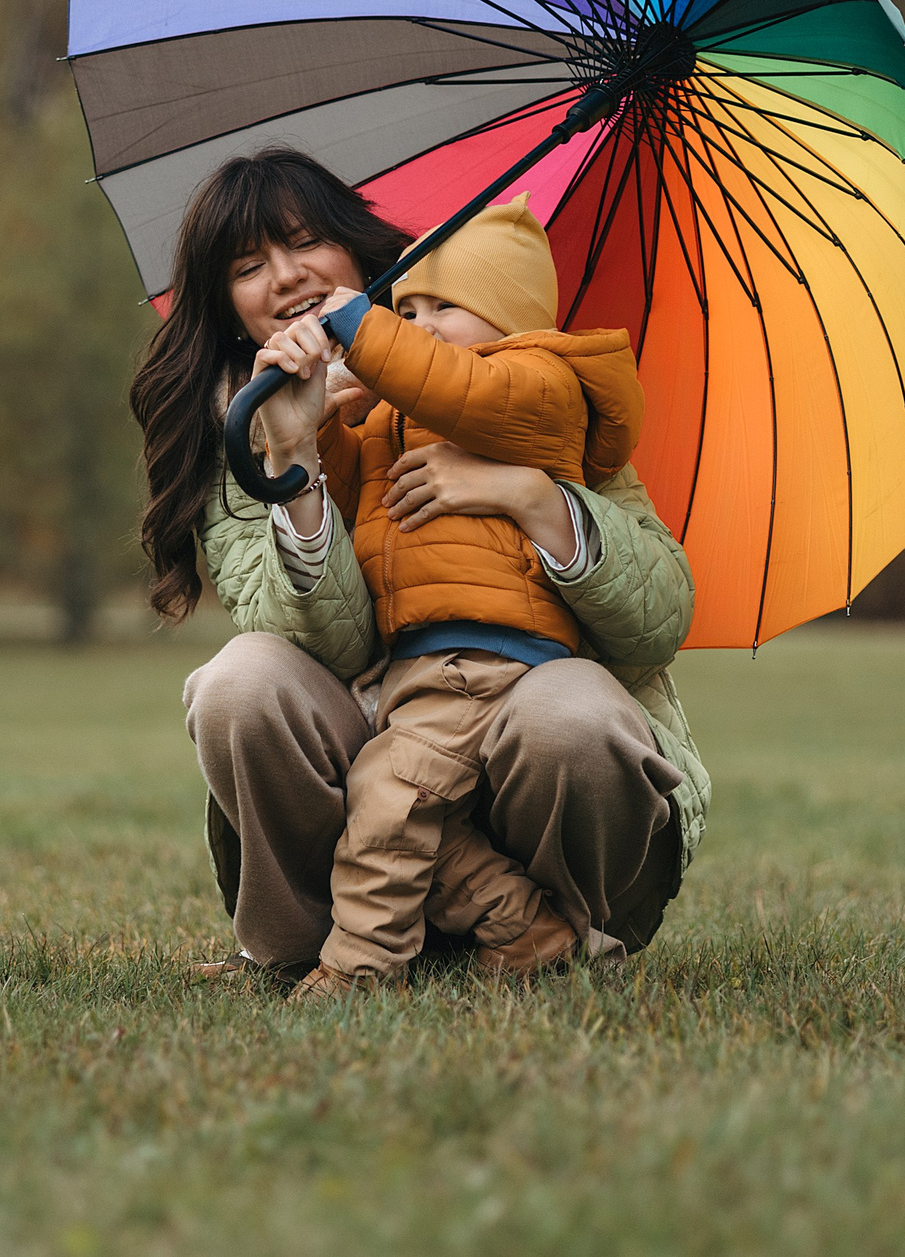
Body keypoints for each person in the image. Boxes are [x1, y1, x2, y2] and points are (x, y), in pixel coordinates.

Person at [128, 146, 709, 985]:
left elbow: (658, 621)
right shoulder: (240, 440)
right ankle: (296, 944)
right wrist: (294, 457)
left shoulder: (522, 388)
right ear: (227, 308)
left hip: (506, 714)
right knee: (241, 681)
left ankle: (560, 932)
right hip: (373, 727)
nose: (286, 278)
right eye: (250, 266)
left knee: (574, 716)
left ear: (362, 258)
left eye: (304, 245)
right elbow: (327, 645)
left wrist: (532, 498)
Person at [251, 196, 645, 995]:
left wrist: (363, 326)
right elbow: (355, 492)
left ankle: (360, 969)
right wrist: (312, 426)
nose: (420, 326)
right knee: (422, 815)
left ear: (511, 319)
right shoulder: (402, 413)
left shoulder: (541, 387)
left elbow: (461, 389)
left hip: (484, 655)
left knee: (390, 798)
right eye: (410, 306)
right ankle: (527, 928)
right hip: (423, 659)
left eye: (446, 307)